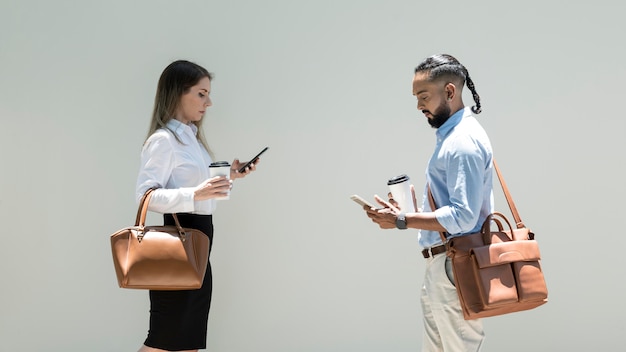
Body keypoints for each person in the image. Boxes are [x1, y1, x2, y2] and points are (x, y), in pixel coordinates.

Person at [362, 54, 493, 351]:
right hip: (446, 264)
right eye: (416, 97)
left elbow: (463, 217)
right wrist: (406, 214)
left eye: (424, 96)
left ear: (449, 91)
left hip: (455, 265)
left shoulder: (462, 141)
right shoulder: (452, 137)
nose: (419, 105)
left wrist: (402, 221)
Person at [135, 59, 258, 352]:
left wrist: (230, 176)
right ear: (179, 93)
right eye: (201, 94)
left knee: (187, 342)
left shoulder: (193, 141)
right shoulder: (163, 140)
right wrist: (196, 194)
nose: (209, 102)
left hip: (200, 247)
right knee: (163, 342)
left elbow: (199, 187)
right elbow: (145, 196)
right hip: (177, 246)